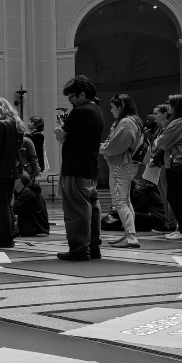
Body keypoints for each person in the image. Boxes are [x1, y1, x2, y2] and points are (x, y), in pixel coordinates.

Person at [55, 75, 105, 261]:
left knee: (76, 211)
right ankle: (93, 248)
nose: (71, 101)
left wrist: (61, 129)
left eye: (72, 97)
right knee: (91, 209)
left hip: (75, 168)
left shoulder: (81, 111)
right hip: (89, 168)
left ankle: (79, 249)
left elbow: (63, 134)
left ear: (82, 94)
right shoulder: (97, 110)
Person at [99, 94, 143, 248]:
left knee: (119, 201)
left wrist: (99, 148)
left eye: (112, 107)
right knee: (125, 200)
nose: (111, 110)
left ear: (120, 106)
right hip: (126, 164)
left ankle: (130, 237)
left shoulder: (125, 122)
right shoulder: (133, 120)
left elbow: (114, 147)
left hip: (121, 164)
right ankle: (129, 233)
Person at [0, 97, 26, 248]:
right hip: (11, 169)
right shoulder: (16, 123)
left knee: (1, 206)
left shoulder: (1, 124)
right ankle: (9, 237)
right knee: (7, 205)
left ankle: (6, 239)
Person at [154, 96, 182, 242]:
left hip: (177, 163)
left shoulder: (179, 123)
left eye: (171, 104)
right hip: (180, 162)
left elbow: (160, 142)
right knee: (176, 196)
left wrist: (163, 143)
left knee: (175, 197)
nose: (168, 107)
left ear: (177, 106)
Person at [12, 172, 50, 236]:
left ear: (18, 181)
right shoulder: (26, 191)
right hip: (37, 226)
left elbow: (14, 210)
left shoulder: (27, 193)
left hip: (35, 227)